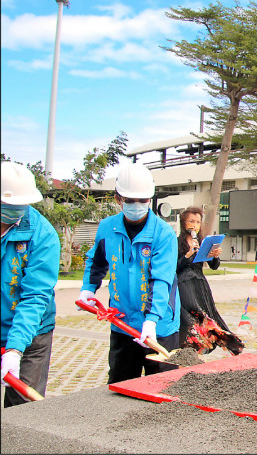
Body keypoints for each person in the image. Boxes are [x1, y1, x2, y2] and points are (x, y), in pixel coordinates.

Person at [77, 163, 180, 383]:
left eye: (142, 200)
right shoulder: (107, 227)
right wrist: (88, 288)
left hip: (159, 327)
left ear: (150, 199)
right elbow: (96, 261)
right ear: (118, 198)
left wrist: (152, 320)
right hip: (123, 323)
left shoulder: (164, 233)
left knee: (161, 385)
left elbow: (162, 279)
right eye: (130, 200)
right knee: (120, 383)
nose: (137, 205)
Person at [1, 162, 59, 407]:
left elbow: (35, 297)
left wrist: (14, 349)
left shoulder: (42, 235)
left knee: (23, 412)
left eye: (20, 206)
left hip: (32, 334)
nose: (15, 212)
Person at [176, 206, 233, 350]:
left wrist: (214, 256)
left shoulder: (202, 242)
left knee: (207, 316)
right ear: (184, 223)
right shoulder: (176, 242)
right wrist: (187, 255)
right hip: (184, 284)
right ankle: (187, 347)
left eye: (198, 222)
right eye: (191, 221)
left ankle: (211, 343)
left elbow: (214, 266)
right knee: (191, 317)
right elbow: (174, 268)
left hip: (200, 284)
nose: (195, 225)